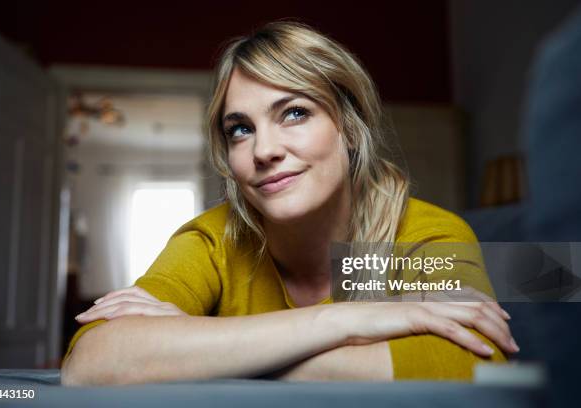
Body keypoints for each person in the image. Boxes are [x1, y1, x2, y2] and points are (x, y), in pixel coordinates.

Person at [61, 22, 518, 385]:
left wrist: (206, 352)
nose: (263, 150)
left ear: (350, 126)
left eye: (295, 113)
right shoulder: (213, 240)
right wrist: (346, 322)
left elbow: (478, 364)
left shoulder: (424, 235)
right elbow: (91, 362)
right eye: (240, 128)